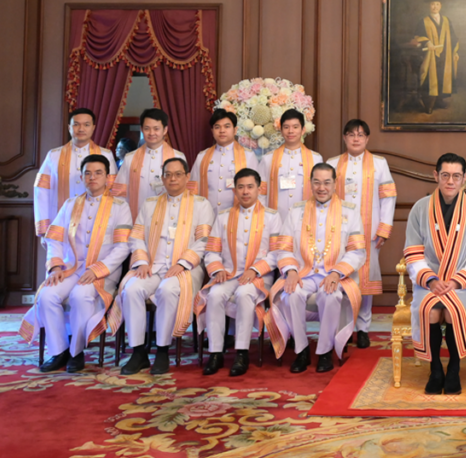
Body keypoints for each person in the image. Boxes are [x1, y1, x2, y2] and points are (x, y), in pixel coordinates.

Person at [20, 155, 132, 372]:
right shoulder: (70, 204)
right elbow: (55, 239)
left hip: (103, 272)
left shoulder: (120, 206)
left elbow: (123, 247)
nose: (92, 177)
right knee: (47, 294)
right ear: (81, 177)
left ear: (108, 177)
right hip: (71, 268)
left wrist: (98, 269)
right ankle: (58, 351)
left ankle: (76, 352)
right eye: (88, 173)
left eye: (98, 173)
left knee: (80, 296)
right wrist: (55, 266)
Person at [404, 153, 466, 395]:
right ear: (435, 175)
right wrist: (431, 280)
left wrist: (456, 282)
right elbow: (413, 252)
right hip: (428, 282)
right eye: (445, 175)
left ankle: (454, 368)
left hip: (463, 283)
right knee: (431, 309)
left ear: (464, 179)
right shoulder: (420, 208)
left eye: (456, 176)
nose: (450, 181)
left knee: (450, 309)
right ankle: (436, 369)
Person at [110, 158, 215, 375]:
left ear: (187, 177)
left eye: (178, 174)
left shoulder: (201, 204)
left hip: (186, 268)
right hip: (152, 265)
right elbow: (136, 236)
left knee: (168, 290)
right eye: (168, 174)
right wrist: (140, 261)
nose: (173, 178)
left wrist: (183, 263)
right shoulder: (150, 204)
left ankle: (163, 350)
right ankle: (138, 352)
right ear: (163, 177)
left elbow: (204, 240)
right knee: (131, 289)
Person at [266, 163, 365, 374]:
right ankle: (301, 350)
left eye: (327, 182)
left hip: (333, 273)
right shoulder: (296, 211)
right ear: (310, 183)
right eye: (317, 182)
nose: (322, 187)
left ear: (335, 183)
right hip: (303, 272)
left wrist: (337, 273)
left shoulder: (350, 211)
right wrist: (291, 270)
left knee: (330, 296)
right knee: (289, 295)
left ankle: (324, 351)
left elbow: (357, 251)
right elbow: (283, 247)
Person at [195, 169, 282, 376]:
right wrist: (216, 269)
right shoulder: (224, 217)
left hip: (259, 276)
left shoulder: (272, 216)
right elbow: (212, 250)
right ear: (234, 190)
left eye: (250, 187)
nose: (245, 192)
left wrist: (255, 269)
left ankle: (242, 352)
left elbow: (277, 252)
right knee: (215, 295)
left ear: (259, 189)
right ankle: (215, 352)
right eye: (241, 187)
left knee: (245, 294)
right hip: (229, 273)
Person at [326, 119, 397, 348]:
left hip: (370, 230)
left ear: (367, 138)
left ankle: (363, 328)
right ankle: (343, 329)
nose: (355, 139)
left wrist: (383, 228)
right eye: (351, 134)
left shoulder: (379, 163)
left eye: (360, 135)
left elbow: (388, 196)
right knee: (342, 276)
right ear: (344, 138)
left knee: (365, 280)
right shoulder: (333, 163)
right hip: (339, 230)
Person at [34, 109, 118, 239]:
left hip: (96, 221)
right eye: (76, 124)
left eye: (86, 124)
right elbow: (41, 190)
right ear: (69, 127)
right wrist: (44, 226)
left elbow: (112, 190)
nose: (81, 128)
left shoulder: (105, 154)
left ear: (93, 127)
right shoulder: (54, 155)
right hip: (60, 221)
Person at [112, 108, 186, 220]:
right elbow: (120, 194)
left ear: (165, 130)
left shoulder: (178, 157)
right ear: (141, 129)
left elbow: (184, 193)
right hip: (135, 219)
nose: (152, 133)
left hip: (168, 220)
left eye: (156, 129)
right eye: (147, 128)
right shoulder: (130, 158)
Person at [188, 109, 259, 213]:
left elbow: (257, 188)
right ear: (212, 131)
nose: (222, 130)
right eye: (217, 127)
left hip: (238, 215)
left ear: (235, 130)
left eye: (227, 126)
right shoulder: (202, 156)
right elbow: (193, 188)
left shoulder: (248, 156)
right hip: (207, 215)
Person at [258, 109, 323, 218]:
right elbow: (260, 193)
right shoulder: (268, 159)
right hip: (276, 220)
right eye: (286, 127)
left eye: (295, 127)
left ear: (303, 130)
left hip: (306, 219)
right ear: (281, 130)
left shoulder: (315, 159)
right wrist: (265, 218)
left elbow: (321, 191)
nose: (290, 131)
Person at [411, 0, 458, 114]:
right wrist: (427, 42)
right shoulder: (423, 21)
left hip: (444, 55)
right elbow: (417, 36)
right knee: (430, 78)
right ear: (428, 6)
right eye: (432, 4)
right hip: (429, 55)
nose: (435, 7)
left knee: (442, 77)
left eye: (437, 4)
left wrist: (454, 52)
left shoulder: (446, 20)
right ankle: (428, 104)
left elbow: (453, 37)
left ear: (441, 6)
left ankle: (439, 100)